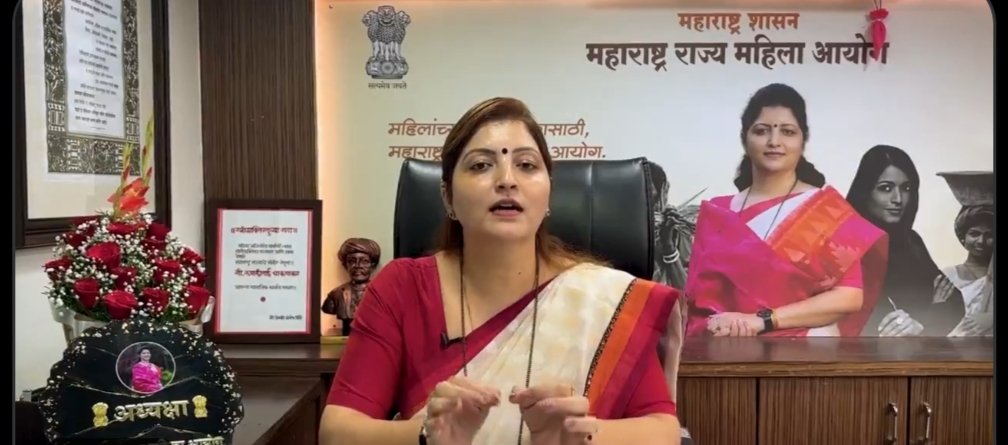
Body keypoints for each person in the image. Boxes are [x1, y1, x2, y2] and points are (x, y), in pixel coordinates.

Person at [320, 97, 682, 445]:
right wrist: (426, 436)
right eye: (481, 165)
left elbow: (663, 431)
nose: (507, 180)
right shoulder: (403, 288)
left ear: (549, 193)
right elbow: (336, 432)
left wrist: (581, 436)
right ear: (447, 197)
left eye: (526, 165)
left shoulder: (599, 300)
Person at [684, 83, 889, 337]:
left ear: (803, 140)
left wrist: (762, 321)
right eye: (762, 131)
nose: (774, 142)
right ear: (744, 138)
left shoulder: (824, 211)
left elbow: (848, 297)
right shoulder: (718, 211)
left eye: (788, 132)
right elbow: (698, 301)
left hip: (797, 351)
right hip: (722, 348)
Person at [846, 145, 965, 336]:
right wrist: (934, 309)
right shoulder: (848, 246)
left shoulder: (911, 241)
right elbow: (878, 325)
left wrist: (920, 326)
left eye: (906, 188)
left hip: (923, 351)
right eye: (885, 188)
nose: (898, 199)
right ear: (865, 191)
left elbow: (955, 302)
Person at [322, 238, 382, 336]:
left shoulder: (381, 294)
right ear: (345, 265)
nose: (357, 266)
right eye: (352, 261)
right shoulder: (335, 295)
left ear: (373, 266)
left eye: (364, 261)